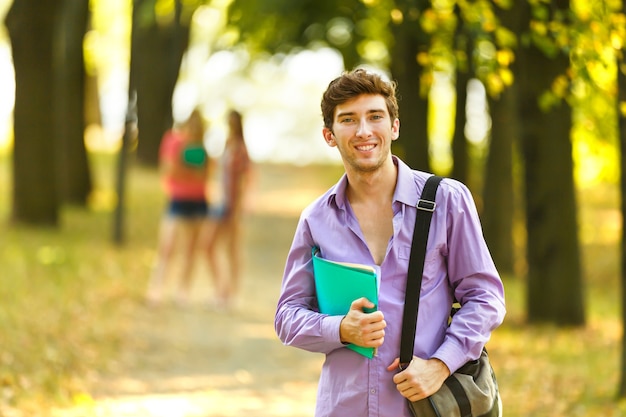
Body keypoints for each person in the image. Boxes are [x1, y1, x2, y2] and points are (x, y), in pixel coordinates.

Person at [274, 68, 506, 417]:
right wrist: (340, 328)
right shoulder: (316, 219)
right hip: (344, 407)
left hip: (427, 406)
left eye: (375, 117)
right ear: (329, 135)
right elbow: (287, 316)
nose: (363, 131)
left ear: (394, 127)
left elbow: (485, 298)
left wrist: (441, 365)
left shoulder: (446, 201)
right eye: (348, 120)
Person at [146, 109, 210, 307]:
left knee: (191, 249)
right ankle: (156, 289)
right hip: (177, 200)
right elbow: (169, 170)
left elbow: (204, 175)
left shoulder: (201, 148)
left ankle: (183, 291)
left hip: (198, 202)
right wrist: (187, 168)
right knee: (167, 246)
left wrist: (187, 169)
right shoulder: (173, 141)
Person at [206, 109, 253, 311]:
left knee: (231, 249)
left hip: (232, 207)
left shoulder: (241, 150)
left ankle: (231, 294)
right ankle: (222, 289)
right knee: (208, 245)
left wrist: (238, 209)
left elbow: (245, 179)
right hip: (222, 204)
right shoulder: (227, 145)